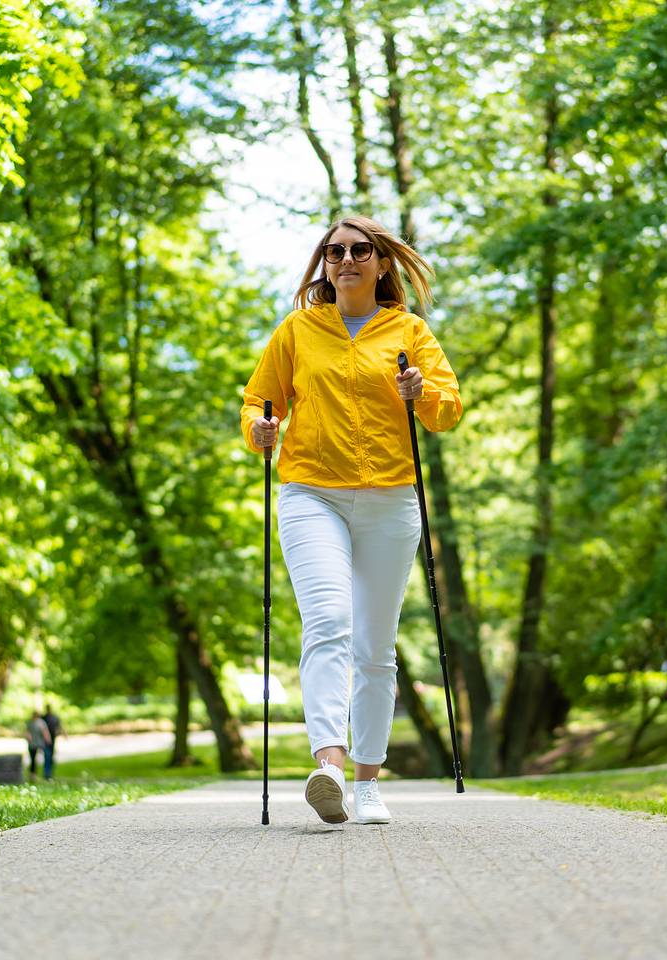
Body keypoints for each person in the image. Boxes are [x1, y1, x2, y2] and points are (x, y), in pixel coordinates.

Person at [240, 215, 462, 825]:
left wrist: (421, 393)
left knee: (374, 648)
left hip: (390, 498)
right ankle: (329, 766)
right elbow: (260, 401)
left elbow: (446, 413)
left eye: (360, 250)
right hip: (312, 492)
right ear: (324, 263)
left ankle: (368, 782)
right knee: (329, 621)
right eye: (333, 252)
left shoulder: (409, 331)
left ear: (382, 261)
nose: (345, 260)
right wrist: (260, 429)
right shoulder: (297, 331)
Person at [25, 710, 51, 781]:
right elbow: (45, 733)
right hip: (36, 744)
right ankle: (39, 774)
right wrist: (48, 740)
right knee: (35, 759)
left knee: (34, 760)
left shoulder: (33, 722)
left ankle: (36, 774)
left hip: (36, 744)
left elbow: (27, 733)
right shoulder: (38, 723)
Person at [41, 705, 61, 780]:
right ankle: (47, 774)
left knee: (50, 756)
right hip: (45, 741)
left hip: (52, 740)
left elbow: (59, 727)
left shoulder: (54, 718)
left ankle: (49, 773)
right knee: (47, 756)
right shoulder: (43, 718)